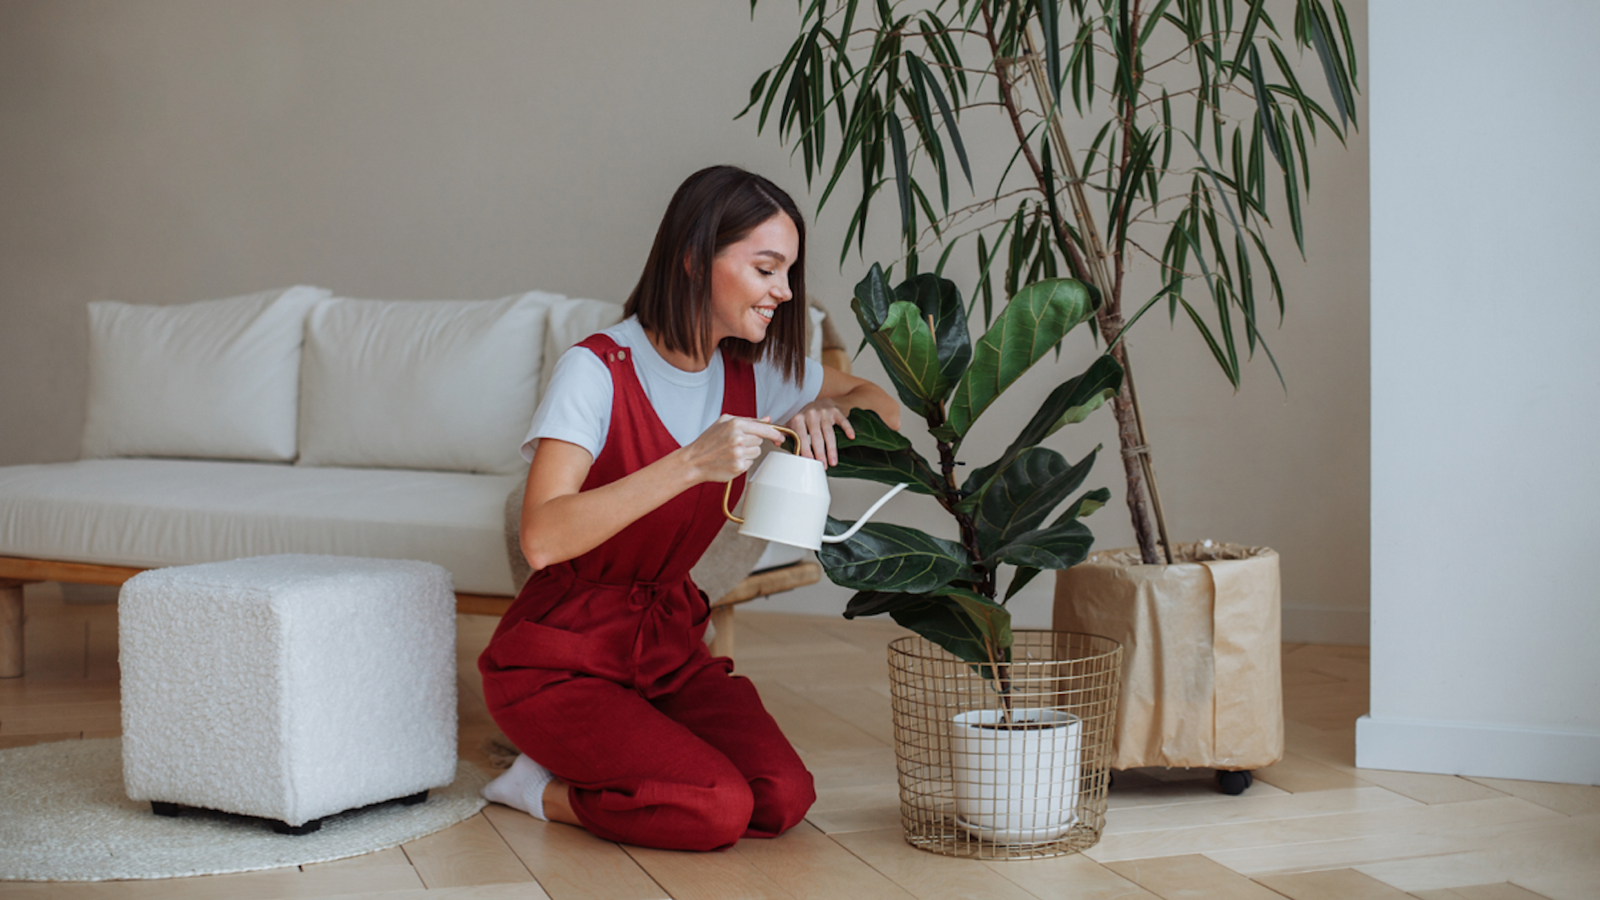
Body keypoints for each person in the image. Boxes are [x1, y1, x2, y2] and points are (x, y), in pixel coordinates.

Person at [478, 166, 901, 851]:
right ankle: (535, 787)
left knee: (783, 797)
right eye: (767, 268)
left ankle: (633, 745)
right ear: (694, 259)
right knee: (714, 809)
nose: (785, 292)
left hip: (669, 649)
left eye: (789, 271)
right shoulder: (597, 369)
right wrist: (690, 464)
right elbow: (542, 538)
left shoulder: (759, 370)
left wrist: (829, 404)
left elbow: (883, 406)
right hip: (562, 661)